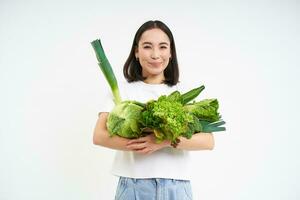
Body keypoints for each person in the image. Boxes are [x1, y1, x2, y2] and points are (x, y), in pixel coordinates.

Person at [93, 20, 214, 200]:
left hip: (177, 188)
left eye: (163, 47)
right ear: (136, 51)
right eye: (147, 47)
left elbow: (208, 141)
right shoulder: (121, 90)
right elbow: (99, 136)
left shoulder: (184, 93)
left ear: (171, 52)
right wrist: (143, 144)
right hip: (133, 187)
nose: (156, 54)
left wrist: (163, 141)